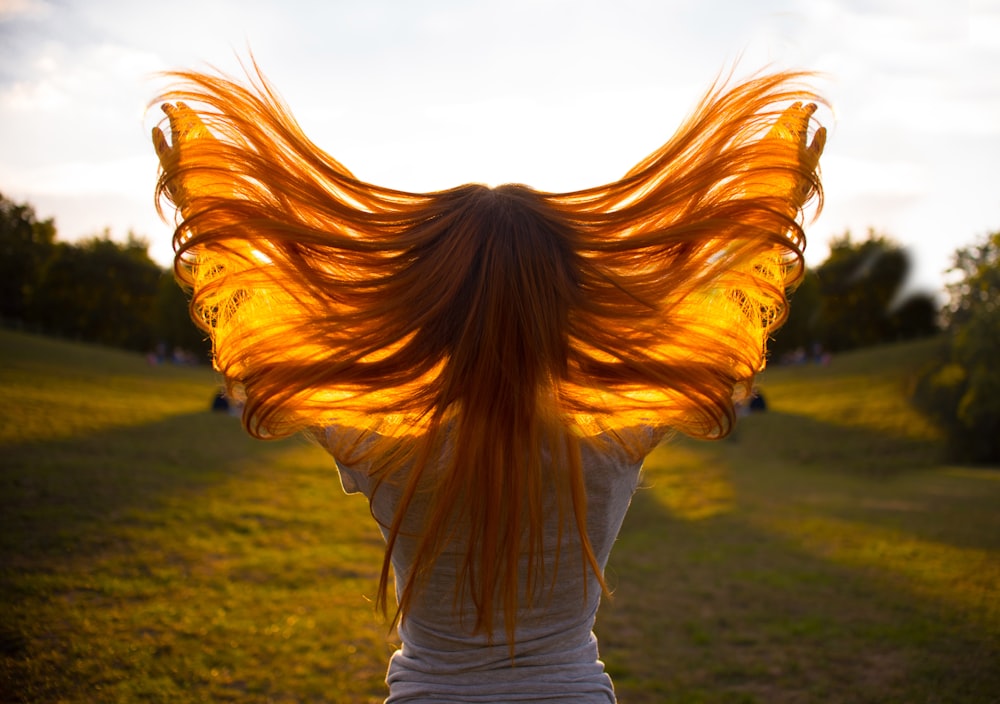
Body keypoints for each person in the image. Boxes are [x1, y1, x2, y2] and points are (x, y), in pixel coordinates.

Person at [153, 60, 824, 703]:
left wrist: (203, 191)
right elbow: (724, 290)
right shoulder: (614, 439)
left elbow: (260, 307)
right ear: (572, 300)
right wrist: (778, 185)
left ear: (422, 305)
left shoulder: (383, 445)